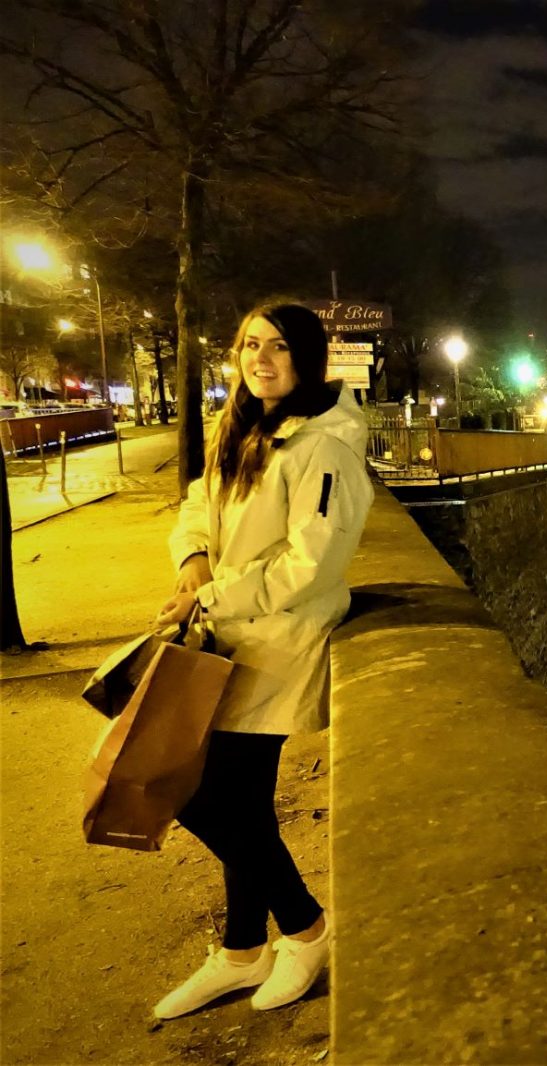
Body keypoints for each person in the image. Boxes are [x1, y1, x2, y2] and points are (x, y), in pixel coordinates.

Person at [150, 303, 373, 1019]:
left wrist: (211, 596)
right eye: (249, 344)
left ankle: (305, 928)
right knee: (239, 804)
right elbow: (198, 505)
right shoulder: (244, 427)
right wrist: (191, 561)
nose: (261, 358)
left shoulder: (325, 446)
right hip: (230, 636)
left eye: (278, 346)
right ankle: (244, 948)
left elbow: (314, 563)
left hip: (279, 642)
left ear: (306, 357)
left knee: (195, 794)